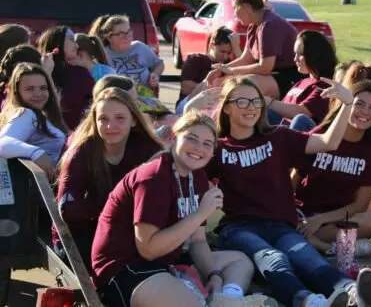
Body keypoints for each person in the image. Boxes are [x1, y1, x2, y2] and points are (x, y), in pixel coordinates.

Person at [208, 77, 371, 307]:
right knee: (275, 259)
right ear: (227, 107)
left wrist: (347, 105)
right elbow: (179, 161)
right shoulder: (216, 148)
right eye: (242, 101)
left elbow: (328, 142)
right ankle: (309, 301)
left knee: (308, 259)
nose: (251, 107)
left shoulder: (278, 136)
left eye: (255, 101)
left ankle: (352, 292)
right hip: (239, 228)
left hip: (280, 225)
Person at [91, 111, 264, 307]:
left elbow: (197, 240)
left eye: (207, 144)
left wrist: (213, 275)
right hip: (126, 268)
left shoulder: (196, 176)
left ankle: (226, 300)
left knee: (240, 261)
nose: (199, 148)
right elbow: (148, 249)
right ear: (174, 137)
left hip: (166, 261)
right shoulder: (154, 177)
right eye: (192, 138)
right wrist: (201, 213)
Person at [54, 87, 164, 269]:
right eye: (103, 119)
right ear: (95, 122)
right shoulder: (82, 152)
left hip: (130, 229)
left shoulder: (147, 148)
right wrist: (120, 200)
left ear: (134, 120)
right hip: (79, 235)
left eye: (120, 118)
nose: (110, 126)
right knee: (128, 254)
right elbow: (68, 211)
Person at [294, 81, 371, 257]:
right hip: (301, 213)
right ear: (347, 105)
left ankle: (310, 241)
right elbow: (291, 181)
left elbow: (360, 205)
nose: (365, 112)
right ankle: (327, 246)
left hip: (335, 219)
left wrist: (320, 220)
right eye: (359, 104)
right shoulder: (322, 135)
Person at [209, 0, 301, 100]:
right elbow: (246, 59)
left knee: (244, 85)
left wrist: (230, 71)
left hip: (291, 76)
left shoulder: (269, 25)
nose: (234, 14)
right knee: (218, 81)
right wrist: (221, 70)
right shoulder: (253, 26)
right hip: (273, 74)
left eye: (234, 8)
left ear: (245, 7)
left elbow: (265, 67)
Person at [0, 63, 68, 179]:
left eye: (43, 88)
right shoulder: (27, 114)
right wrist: (36, 153)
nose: (38, 94)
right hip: (36, 192)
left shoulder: (42, 114)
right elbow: (2, 143)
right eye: (29, 89)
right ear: (17, 92)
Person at [266, 30, 337, 131]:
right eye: (295, 54)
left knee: (300, 120)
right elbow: (279, 110)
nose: (295, 59)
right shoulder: (301, 82)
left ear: (314, 55)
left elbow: (303, 112)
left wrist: (268, 101)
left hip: (305, 137)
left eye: (300, 54)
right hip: (283, 132)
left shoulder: (325, 85)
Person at [89, 14, 164, 98]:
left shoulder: (139, 47)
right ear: (109, 37)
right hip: (120, 102)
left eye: (128, 31)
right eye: (121, 34)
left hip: (148, 102)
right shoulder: (103, 54)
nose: (127, 36)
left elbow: (159, 63)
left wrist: (155, 74)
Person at [37, 26, 95, 130]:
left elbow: (96, 102)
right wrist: (46, 74)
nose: (77, 45)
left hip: (76, 136)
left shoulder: (80, 74)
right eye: (72, 40)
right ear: (58, 42)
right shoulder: (36, 74)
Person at [178, 26, 241, 108]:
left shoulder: (229, 63)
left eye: (229, 53)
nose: (225, 56)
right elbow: (186, 88)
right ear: (212, 45)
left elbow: (248, 72)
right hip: (189, 104)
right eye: (222, 51)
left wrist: (237, 49)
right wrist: (216, 89)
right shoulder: (196, 59)